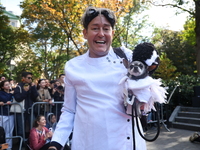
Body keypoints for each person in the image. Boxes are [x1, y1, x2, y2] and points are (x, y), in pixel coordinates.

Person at [48, 6, 146, 150]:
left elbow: (150, 85)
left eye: (106, 29)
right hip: (89, 143)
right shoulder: (73, 66)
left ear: (112, 33)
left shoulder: (128, 58)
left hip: (127, 142)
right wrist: (56, 143)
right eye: (95, 28)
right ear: (85, 33)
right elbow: (69, 110)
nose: (101, 34)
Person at [13, 71, 39, 138]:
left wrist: (33, 88)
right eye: (28, 78)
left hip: (30, 110)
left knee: (33, 127)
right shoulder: (18, 87)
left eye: (31, 78)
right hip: (21, 110)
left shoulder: (32, 86)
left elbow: (35, 97)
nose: (30, 79)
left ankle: (32, 142)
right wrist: (25, 91)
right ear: (23, 78)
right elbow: (18, 98)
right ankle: (21, 143)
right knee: (21, 128)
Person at [0, 80, 14, 149]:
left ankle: (9, 147)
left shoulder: (12, 94)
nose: (8, 86)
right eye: (6, 85)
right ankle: (2, 147)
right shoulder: (0, 93)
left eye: (9, 84)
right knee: (2, 131)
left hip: (11, 114)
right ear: (2, 87)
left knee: (9, 132)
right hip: (3, 115)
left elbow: (13, 100)